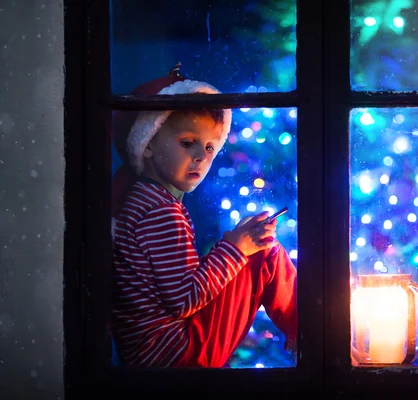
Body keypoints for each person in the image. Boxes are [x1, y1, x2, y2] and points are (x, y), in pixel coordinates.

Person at [110, 64, 297, 368]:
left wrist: (235, 246)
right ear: (147, 145)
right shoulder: (159, 212)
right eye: (187, 143)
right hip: (176, 353)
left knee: (256, 246)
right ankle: (316, 338)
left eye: (210, 147)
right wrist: (237, 248)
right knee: (265, 253)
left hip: (162, 350)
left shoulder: (147, 199)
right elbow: (185, 300)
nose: (201, 156)